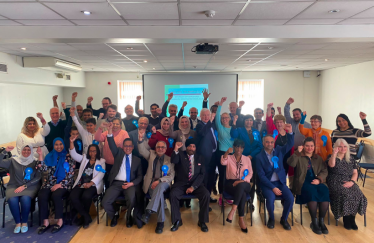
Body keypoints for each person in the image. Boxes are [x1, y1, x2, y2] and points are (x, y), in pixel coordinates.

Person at [102, 124, 143, 228]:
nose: (128, 148)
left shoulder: (137, 160)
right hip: (116, 183)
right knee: (105, 202)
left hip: (130, 184)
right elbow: (111, 144)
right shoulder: (118, 154)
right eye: (126, 146)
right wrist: (109, 132)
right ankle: (114, 215)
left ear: (133, 147)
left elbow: (140, 176)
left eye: (130, 146)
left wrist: (131, 184)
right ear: (122, 147)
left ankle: (129, 217)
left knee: (131, 198)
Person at [287, 137, 330, 235]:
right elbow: (291, 163)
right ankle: (314, 222)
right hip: (303, 183)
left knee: (325, 191)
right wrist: (297, 152)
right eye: (307, 146)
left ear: (314, 147)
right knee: (311, 193)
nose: (309, 148)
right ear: (303, 146)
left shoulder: (318, 158)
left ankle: (321, 221)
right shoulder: (299, 156)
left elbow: (324, 170)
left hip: (317, 181)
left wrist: (319, 179)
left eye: (311, 146)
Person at [256, 124, 294, 230]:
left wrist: (290, 132)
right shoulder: (259, 157)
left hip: (280, 182)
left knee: (290, 198)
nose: (269, 144)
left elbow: (290, 144)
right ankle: (271, 219)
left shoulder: (278, 150)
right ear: (263, 143)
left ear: (274, 143)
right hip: (267, 184)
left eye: (271, 142)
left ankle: (284, 219)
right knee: (270, 198)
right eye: (267, 142)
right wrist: (272, 187)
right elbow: (261, 175)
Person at [170, 139, 210, 232]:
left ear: (196, 148)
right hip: (181, 183)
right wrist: (176, 149)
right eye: (189, 146)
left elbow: (202, 174)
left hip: (196, 184)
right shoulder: (180, 154)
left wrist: (193, 187)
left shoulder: (200, 157)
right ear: (186, 147)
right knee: (173, 194)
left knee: (206, 195)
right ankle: (177, 221)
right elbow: (174, 160)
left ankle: (202, 221)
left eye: (193, 146)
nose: (191, 148)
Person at [37, 138, 76, 234]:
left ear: (63, 144)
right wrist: (40, 155)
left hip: (64, 183)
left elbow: (71, 174)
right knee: (42, 195)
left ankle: (60, 221)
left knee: (56, 195)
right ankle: (45, 222)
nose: (59, 147)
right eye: (56, 145)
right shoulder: (49, 156)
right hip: (50, 183)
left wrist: (60, 184)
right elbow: (41, 170)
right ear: (53, 146)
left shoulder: (69, 157)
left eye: (60, 144)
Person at [327, 138, 367, 230]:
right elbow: (331, 165)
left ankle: (352, 218)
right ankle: (346, 218)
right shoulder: (331, 157)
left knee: (358, 195)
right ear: (336, 147)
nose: (343, 148)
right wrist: (334, 154)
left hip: (349, 181)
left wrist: (352, 182)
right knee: (346, 195)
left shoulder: (351, 159)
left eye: (345, 146)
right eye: (340, 146)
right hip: (335, 181)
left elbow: (355, 173)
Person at [0, 145, 41, 233]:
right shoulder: (13, 160)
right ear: (21, 150)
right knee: (12, 200)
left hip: (30, 186)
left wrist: (25, 186)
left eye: (28, 150)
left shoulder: (35, 161)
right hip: (13, 185)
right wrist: (4, 151)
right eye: (24, 149)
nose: (26, 152)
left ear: (31, 151)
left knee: (25, 199)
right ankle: (18, 223)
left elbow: (38, 177)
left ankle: (24, 222)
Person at [138, 139, 175, 234]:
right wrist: (141, 140)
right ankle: (160, 223)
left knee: (159, 187)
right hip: (150, 184)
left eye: (163, 147)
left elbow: (171, 176)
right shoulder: (151, 155)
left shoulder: (169, 159)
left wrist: (159, 181)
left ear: (166, 149)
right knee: (159, 196)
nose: (160, 149)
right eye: (158, 147)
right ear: (155, 148)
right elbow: (142, 150)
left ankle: (149, 211)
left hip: (164, 183)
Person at [69, 136, 106, 229]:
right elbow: (74, 154)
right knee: (73, 197)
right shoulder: (84, 158)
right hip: (80, 183)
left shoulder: (101, 161)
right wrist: (71, 142)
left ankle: (84, 218)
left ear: (97, 151)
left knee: (86, 196)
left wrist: (91, 183)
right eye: (90, 151)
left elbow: (101, 175)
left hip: (93, 185)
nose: (92, 153)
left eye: (94, 151)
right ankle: (86, 216)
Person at [221, 139, 253, 233]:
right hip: (231, 183)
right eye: (237, 146)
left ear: (243, 149)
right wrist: (227, 152)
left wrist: (240, 181)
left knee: (241, 186)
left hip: (244, 182)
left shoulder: (247, 159)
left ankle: (233, 210)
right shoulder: (229, 157)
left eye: (241, 147)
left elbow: (250, 173)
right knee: (241, 192)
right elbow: (223, 162)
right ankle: (241, 219)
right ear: (234, 147)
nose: (239, 149)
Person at [230, 114, 263, 204]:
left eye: (251, 120)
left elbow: (259, 146)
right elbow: (233, 134)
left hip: (253, 159)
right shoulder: (239, 130)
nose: (249, 122)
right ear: (244, 121)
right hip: (241, 158)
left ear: (253, 122)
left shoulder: (256, 132)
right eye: (247, 120)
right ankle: (241, 199)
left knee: (252, 180)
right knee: (241, 178)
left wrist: (251, 155)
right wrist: (234, 123)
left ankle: (250, 201)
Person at [94, 118, 129, 189]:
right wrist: (100, 128)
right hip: (107, 163)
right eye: (114, 123)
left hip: (118, 163)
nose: (115, 125)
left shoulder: (124, 133)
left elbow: (127, 146)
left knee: (116, 182)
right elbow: (97, 138)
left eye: (117, 124)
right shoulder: (107, 132)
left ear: (120, 125)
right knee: (107, 182)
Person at [215, 97, 235, 206]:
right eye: (222, 118)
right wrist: (221, 104)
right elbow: (217, 117)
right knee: (222, 176)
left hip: (232, 155)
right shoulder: (220, 127)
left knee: (230, 177)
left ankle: (228, 196)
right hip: (222, 154)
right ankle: (221, 197)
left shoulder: (234, 128)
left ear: (229, 118)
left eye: (226, 117)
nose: (224, 119)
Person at [266, 103, 294, 176]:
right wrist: (269, 108)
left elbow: (291, 143)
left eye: (281, 122)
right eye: (277, 122)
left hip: (287, 156)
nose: (279, 124)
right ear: (275, 123)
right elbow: (269, 120)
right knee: (276, 175)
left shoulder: (288, 132)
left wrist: (290, 131)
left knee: (285, 174)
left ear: (284, 123)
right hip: (276, 157)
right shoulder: (273, 130)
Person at [196, 108, 217, 203]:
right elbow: (203, 133)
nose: (206, 117)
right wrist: (210, 122)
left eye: (208, 115)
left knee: (211, 178)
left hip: (213, 155)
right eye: (204, 115)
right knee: (205, 178)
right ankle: (203, 200)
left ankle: (208, 196)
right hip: (204, 157)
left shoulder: (211, 125)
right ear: (200, 116)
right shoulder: (199, 125)